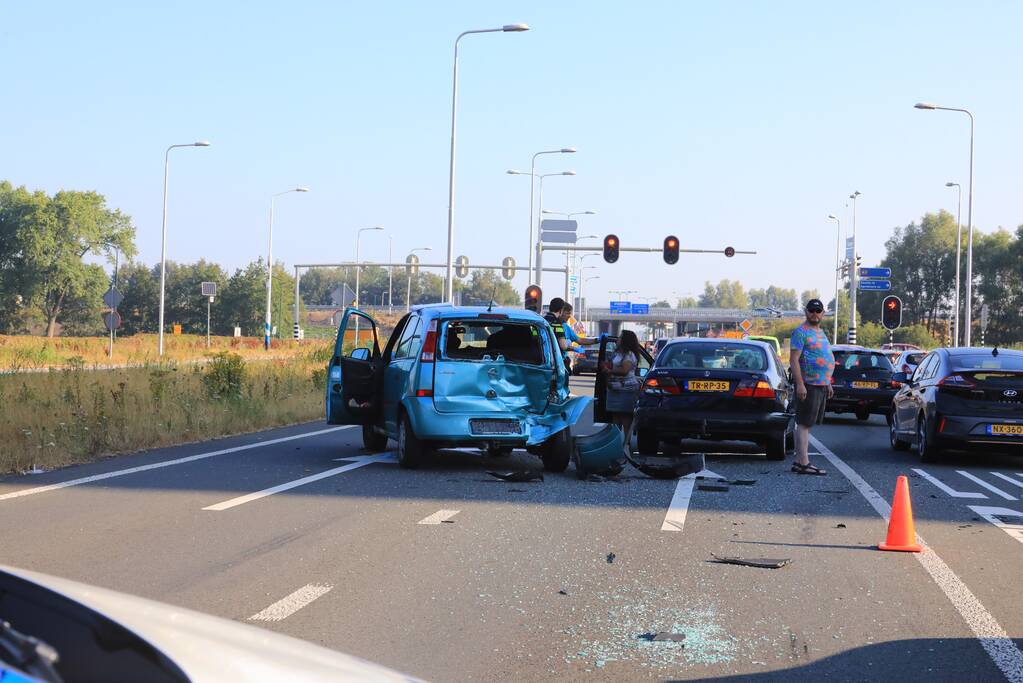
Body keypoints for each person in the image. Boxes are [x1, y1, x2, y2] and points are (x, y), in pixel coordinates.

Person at [789, 298, 835, 475]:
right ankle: (803, 463)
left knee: (807, 423)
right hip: (809, 383)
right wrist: (800, 384)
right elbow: (794, 360)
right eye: (811, 311)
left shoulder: (821, 332)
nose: (814, 314)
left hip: (820, 384)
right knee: (804, 423)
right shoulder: (800, 332)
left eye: (818, 311)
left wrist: (828, 382)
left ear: (822, 313)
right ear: (806, 312)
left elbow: (823, 355)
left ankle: (798, 461)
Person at [603, 329, 643, 456]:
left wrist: (609, 370)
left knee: (625, 419)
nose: (618, 339)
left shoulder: (629, 355)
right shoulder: (617, 354)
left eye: (620, 337)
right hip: (615, 389)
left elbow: (625, 370)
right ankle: (615, 446)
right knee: (615, 419)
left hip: (626, 390)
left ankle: (626, 447)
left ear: (626, 340)